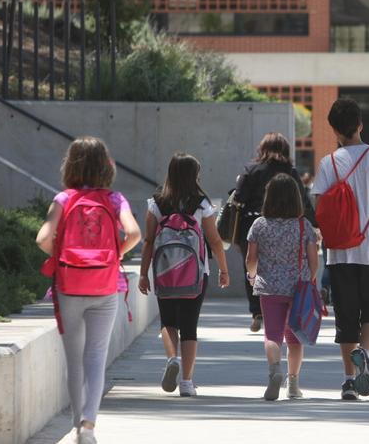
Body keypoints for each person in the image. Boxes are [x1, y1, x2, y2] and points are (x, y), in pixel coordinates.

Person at [36, 137, 141, 444]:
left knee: (74, 359)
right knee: (96, 356)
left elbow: (42, 238)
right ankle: (89, 427)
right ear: (106, 166)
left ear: (71, 164)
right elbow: (134, 233)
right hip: (104, 285)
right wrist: (116, 253)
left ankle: (74, 425)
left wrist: (59, 255)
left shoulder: (64, 198)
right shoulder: (115, 199)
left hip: (69, 282)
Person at [312, 98, 369, 401]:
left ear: (334, 130)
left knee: (346, 316)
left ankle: (349, 382)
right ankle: (364, 351)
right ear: (360, 125)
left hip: (340, 253)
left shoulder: (328, 163)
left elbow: (320, 210)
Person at [138, 153, 231, 397]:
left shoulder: (156, 203)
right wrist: (223, 270)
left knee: (168, 321)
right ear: (194, 176)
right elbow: (215, 241)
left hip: (164, 272)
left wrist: (143, 274)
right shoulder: (201, 204)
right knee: (190, 327)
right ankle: (187, 382)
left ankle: (171, 359)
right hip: (195, 275)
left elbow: (148, 242)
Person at [245, 173, 319, 400]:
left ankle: (274, 371)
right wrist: (311, 279)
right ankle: (293, 384)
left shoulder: (259, 225)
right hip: (297, 288)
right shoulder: (304, 225)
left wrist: (252, 275)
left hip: (269, 288)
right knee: (295, 338)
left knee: (272, 336)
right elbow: (313, 259)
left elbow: (251, 258)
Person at [234, 132, 315, 332]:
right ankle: (285, 308)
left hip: (252, 223)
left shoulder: (251, 170)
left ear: (262, 149)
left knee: (251, 265)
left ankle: (257, 311)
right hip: (288, 225)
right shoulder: (291, 171)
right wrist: (314, 222)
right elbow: (304, 200)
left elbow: (239, 197)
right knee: (284, 264)